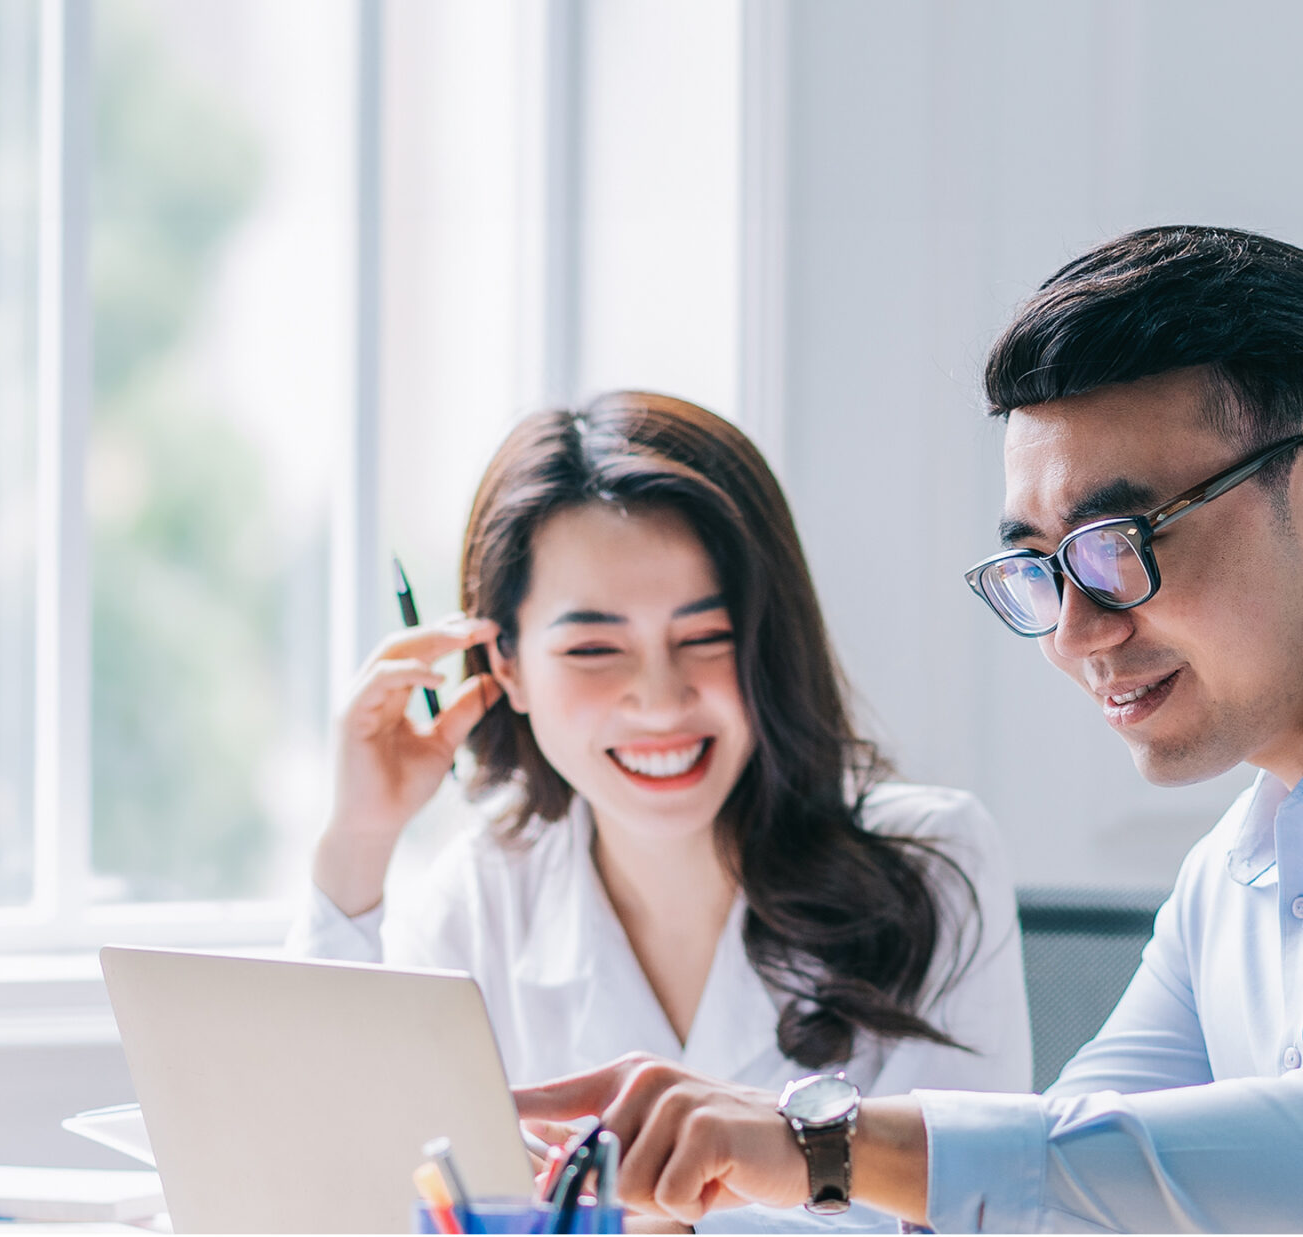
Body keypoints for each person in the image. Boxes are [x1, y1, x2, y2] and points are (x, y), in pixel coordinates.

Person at [518, 226, 1303, 1232]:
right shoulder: (1228, 876)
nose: (1074, 632)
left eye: (1116, 545)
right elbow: (1051, 1200)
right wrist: (679, 1209)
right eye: (1039, 567)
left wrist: (815, 1140)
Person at [291, 392, 1030, 1227]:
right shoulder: (478, 900)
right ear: (508, 664)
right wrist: (359, 838)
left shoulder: (934, 861)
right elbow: (323, 1187)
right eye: (594, 649)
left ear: (767, 641)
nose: (658, 699)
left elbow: (990, 1207)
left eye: (706, 636)